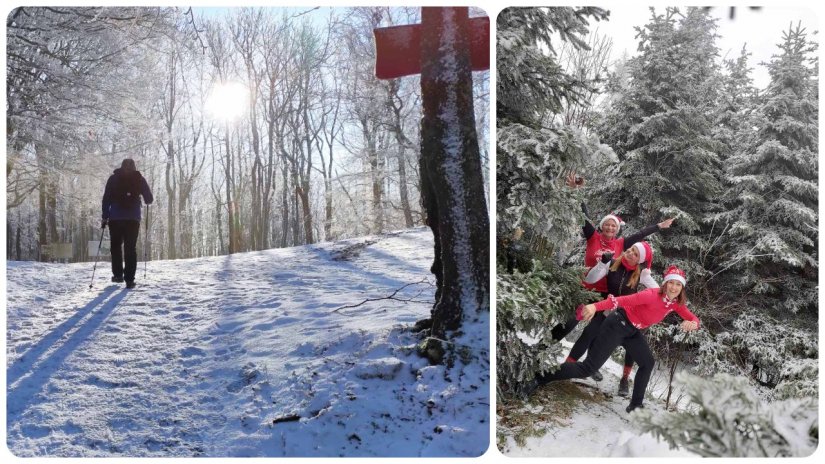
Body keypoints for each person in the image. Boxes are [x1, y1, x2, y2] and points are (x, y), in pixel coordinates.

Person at [532, 265, 700, 413]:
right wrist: (594, 306)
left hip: (632, 331)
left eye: (678, 284)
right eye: (671, 282)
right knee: (588, 368)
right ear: (665, 283)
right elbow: (620, 301)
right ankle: (540, 377)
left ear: (682, 288)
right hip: (617, 324)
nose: (674, 287)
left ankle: (635, 406)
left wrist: (693, 323)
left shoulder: (676, 304)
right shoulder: (651, 294)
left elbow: (694, 319)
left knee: (647, 363)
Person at [567, 241, 658, 397]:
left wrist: (648, 278)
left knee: (631, 348)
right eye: (630, 250)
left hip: (628, 316)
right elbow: (590, 279)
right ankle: (567, 367)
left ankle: (624, 379)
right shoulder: (612, 262)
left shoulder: (640, 273)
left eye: (635, 254)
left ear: (639, 260)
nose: (630, 253)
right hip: (608, 310)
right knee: (589, 333)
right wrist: (602, 264)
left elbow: (658, 293)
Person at [101, 158, 153, 289]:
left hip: (115, 218)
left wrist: (105, 216)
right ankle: (129, 279)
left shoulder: (113, 179)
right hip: (133, 218)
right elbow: (149, 199)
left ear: (121, 166)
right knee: (130, 248)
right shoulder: (139, 179)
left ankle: (118, 275)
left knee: (116, 246)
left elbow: (106, 198)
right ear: (134, 166)